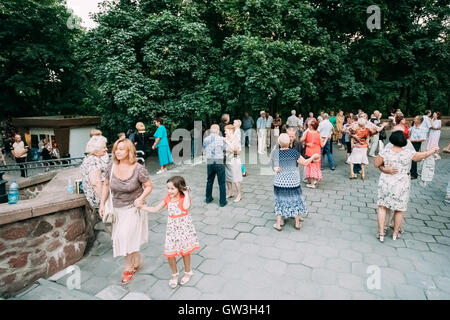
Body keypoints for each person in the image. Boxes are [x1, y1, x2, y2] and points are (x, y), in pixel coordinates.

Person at [99, 138, 153, 284]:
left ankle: (128, 268)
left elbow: (148, 186)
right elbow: (105, 185)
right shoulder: (111, 166)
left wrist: (141, 198)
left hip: (134, 208)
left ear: (129, 151)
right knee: (127, 238)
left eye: (122, 149)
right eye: (116, 148)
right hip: (117, 209)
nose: (118, 151)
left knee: (124, 237)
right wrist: (102, 204)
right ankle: (136, 260)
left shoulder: (138, 168)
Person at [374, 131, 439, 242]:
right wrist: (433, 150)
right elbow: (422, 156)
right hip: (402, 183)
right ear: (405, 141)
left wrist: (385, 169)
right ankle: (395, 233)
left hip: (386, 181)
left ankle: (381, 233)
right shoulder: (409, 153)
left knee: (382, 206)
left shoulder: (385, 152)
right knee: (399, 209)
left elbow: (376, 164)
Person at [141, 176, 199, 288]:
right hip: (172, 230)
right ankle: (174, 274)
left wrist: (186, 193)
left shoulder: (183, 198)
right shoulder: (168, 198)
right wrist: (142, 208)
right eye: (168, 188)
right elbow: (156, 209)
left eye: (172, 189)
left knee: (185, 252)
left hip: (184, 230)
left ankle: (188, 272)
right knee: (170, 253)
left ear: (179, 188)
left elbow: (186, 207)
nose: (169, 191)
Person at [271, 133, 320, 231]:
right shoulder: (294, 153)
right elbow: (305, 163)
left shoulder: (275, 152)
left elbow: (274, 167)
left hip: (280, 182)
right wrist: (313, 157)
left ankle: (278, 224)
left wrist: (275, 168)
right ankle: (297, 223)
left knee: (279, 201)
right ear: (289, 142)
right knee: (296, 200)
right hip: (293, 182)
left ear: (279, 142)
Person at [80, 136, 109, 209]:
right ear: (96, 149)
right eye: (104, 147)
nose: (106, 149)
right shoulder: (93, 161)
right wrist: (104, 202)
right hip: (100, 198)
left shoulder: (90, 158)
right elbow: (96, 183)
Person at [203, 124, 227, 207]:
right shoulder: (221, 139)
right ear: (218, 130)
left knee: (209, 181)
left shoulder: (206, 139)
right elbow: (225, 149)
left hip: (210, 162)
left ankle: (208, 198)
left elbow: (204, 151)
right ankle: (222, 201)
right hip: (219, 161)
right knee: (222, 182)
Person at [301, 120, 327, 188]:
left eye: (309, 125)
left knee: (310, 166)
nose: (308, 125)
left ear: (311, 126)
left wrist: (306, 143)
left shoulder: (307, 133)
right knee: (315, 166)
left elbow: (302, 139)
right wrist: (326, 138)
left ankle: (312, 183)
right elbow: (322, 145)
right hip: (317, 152)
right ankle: (313, 180)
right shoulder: (318, 133)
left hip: (309, 151)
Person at [224, 124, 243, 202]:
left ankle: (239, 194)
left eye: (226, 130)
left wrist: (227, 142)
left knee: (236, 179)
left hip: (234, 161)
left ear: (230, 131)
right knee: (228, 178)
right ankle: (230, 192)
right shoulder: (226, 138)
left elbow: (236, 151)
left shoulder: (235, 139)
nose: (225, 132)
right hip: (227, 160)